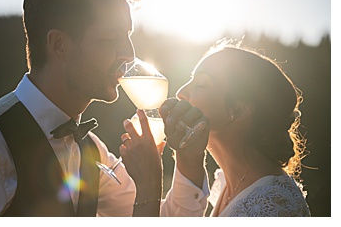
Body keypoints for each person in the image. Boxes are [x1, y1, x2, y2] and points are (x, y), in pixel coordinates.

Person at [0, 0, 209, 216]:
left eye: (128, 36)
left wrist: (189, 160)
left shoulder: (92, 149)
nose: (129, 54)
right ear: (60, 45)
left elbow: (160, 216)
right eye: (110, 39)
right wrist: (149, 184)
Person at [122, 44, 310, 217]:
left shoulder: (272, 209)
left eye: (201, 84)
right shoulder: (229, 184)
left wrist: (148, 183)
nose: (180, 92)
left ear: (238, 110)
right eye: (190, 80)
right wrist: (187, 160)